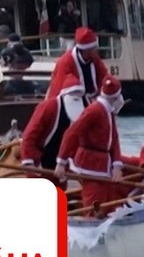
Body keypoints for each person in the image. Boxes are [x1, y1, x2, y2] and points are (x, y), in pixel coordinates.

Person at [55, 77, 129, 216]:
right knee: (93, 200)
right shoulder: (95, 110)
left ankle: (110, 218)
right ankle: (89, 225)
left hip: (102, 163)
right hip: (90, 164)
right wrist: (61, 161)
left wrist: (117, 165)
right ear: (116, 97)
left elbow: (114, 139)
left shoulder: (108, 111)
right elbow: (71, 133)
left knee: (108, 197)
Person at [21, 73, 88, 171]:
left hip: (66, 164)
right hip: (41, 160)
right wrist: (29, 163)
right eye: (73, 94)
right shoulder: (48, 107)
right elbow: (29, 136)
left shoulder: (86, 109)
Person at [44, 27, 107, 103]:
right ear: (87, 50)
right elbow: (59, 88)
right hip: (69, 100)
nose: (97, 49)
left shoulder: (95, 59)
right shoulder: (66, 62)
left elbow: (104, 77)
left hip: (91, 99)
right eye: (94, 48)